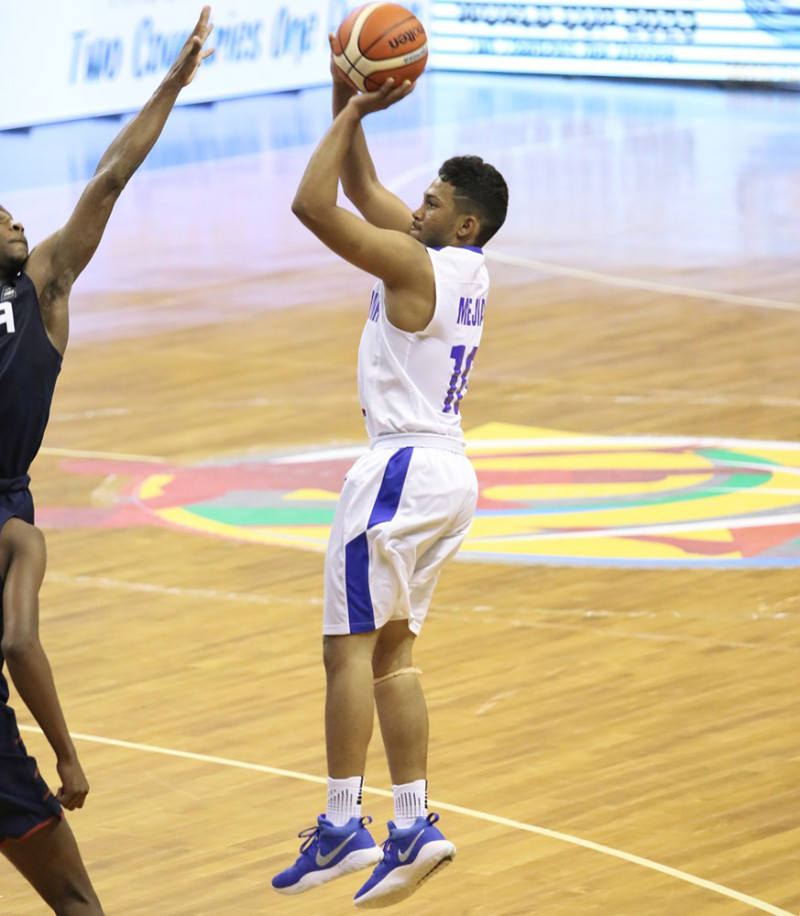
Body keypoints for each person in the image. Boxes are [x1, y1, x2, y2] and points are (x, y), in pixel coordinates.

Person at [271, 60, 508, 909]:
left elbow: (313, 204)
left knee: (345, 647)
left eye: (434, 202)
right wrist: (351, 98)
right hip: (447, 472)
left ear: (467, 221)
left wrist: (352, 106)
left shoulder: (419, 268)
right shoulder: (457, 265)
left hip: (401, 468)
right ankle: (412, 821)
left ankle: (344, 821)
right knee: (393, 652)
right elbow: (365, 182)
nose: (419, 207)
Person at [0, 9, 214, 913]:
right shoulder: (17, 534)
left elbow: (111, 176)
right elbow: (18, 639)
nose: (12, 213)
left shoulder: (40, 282)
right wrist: (70, 750)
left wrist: (168, 88)